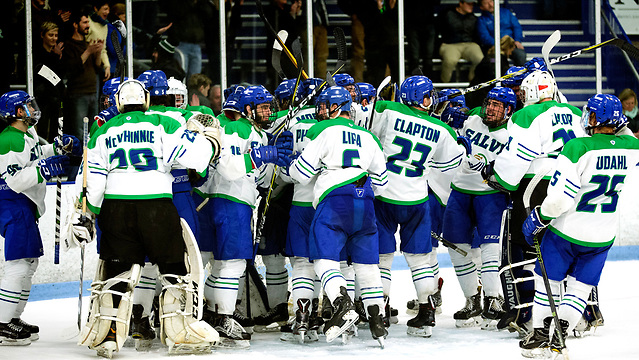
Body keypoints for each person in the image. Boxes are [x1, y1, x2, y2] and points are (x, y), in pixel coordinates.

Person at [75, 79, 221, 357]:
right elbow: (197, 158)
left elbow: (90, 179)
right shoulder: (161, 123)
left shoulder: (103, 131)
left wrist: (85, 214)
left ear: (118, 103)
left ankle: (108, 335)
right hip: (157, 206)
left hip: (116, 210)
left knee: (116, 275)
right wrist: (209, 141)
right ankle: (180, 333)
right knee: (174, 271)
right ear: (145, 100)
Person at [519, 94, 639, 356]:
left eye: (592, 114)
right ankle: (559, 337)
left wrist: (540, 218)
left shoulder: (577, 147)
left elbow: (560, 199)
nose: (587, 118)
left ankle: (540, 334)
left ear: (600, 118)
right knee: (579, 289)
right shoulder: (632, 147)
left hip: (567, 231)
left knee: (545, 280)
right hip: (602, 236)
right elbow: (626, 138)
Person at [480, 70, 586, 330]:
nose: (521, 96)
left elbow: (518, 158)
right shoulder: (574, 111)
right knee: (569, 249)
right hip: (573, 186)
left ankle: (525, 312)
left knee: (519, 247)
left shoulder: (526, 114)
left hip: (536, 186)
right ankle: (586, 313)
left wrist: (497, 175)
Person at [287, 85, 389, 346]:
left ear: (336, 107)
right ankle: (377, 319)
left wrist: (295, 161)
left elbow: (299, 174)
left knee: (322, 259)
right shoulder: (368, 137)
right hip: (364, 200)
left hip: (334, 201)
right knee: (367, 265)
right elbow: (383, 181)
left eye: (325, 106)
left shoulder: (326, 131)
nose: (321, 111)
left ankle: (342, 304)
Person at [369, 75, 466, 337]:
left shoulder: (387, 110)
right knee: (421, 259)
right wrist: (461, 145)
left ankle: (382, 310)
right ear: (418, 98)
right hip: (417, 201)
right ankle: (426, 313)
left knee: (382, 259)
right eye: (427, 95)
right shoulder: (441, 129)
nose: (430, 99)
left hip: (383, 196)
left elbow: (367, 134)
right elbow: (449, 165)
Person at [199, 85, 292, 348]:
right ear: (247, 109)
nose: (268, 112)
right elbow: (232, 169)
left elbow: (260, 178)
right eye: (262, 107)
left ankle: (210, 314)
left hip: (209, 203)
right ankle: (223, 318)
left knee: (218, 265)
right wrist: (266, 153)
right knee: (233, 265)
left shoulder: (229, 126)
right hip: (232, 202)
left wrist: (272, 154)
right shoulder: (240, 129)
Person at [0, 90, 76, 346]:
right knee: (18, 265)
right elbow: (14, 180)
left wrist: (55, 148)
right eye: (28, 106)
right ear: (18, 112)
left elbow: (34, 154)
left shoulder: (26, 135)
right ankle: (1, 323)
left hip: (23, 205)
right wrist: (43, 171)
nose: (33, 108)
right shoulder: (10, 139)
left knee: (28, 264)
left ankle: (13, 317)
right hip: (13, 203)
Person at [442, 87, 516, 329]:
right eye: (489, 103)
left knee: (490, 248)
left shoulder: (513, 133)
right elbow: (449, 121)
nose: (491, 109)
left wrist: (489, 165)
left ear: (509, 110)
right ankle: (471, 299)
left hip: (491, 195)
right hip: (460, 191)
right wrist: (448, 111)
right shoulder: (473, 117)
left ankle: (493, 299)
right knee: (455, 246)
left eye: (498, 105)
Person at [61, 7, 105, 141]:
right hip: (78, 94)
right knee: (79, 130)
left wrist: (98, 53)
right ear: (75, 25)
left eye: (88, 23)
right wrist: (88, 52)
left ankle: (91, 158)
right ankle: (80, 159)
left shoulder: (87, 44)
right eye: (84, 23)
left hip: (92, 92)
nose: (88, 26)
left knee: (93, 129)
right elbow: (71, 68)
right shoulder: (68, 45)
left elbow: (98, 68)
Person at [33, 21, 65, 143]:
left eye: (56, 35)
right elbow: (40, 73)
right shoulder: (36, 54)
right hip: (42, 100)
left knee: (55, 131)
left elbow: (61, 75)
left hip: (55, 99)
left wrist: (58, 56)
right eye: (51, 35)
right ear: (42, 35)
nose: (54, 38)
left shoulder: (56, 54)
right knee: (42, 130)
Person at [438, 0, 484, 83]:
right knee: (450, 61)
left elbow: (477, 36)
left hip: (469, 44)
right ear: (461, 3)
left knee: (479, 58)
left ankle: (473, 83)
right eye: (468, 4)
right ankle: (445, 84)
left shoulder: (473, 17)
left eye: (472, 4)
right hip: (450, 44)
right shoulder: (447, 14)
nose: (471, 6)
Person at [476, 0, 526, 66]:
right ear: (481, 7)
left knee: (520, 55)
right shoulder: (481, 20)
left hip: (511, 45)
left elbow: (517, 27)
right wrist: (499, 44)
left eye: (491, 1)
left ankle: (520, 76)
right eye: (486, 3)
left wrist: (517, 40)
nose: (490, 5)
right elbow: (484, 37)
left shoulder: (507, 13)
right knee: (495, 60)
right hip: (494, 47)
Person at [86, 1, 112, 81]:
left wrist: (107, 66)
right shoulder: (87, 22)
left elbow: (103, 48)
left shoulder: (105, 25)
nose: (107, 12)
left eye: (108, 9)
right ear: (96, 9)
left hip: (96, 66)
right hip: (85, 63)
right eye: (105, 9)